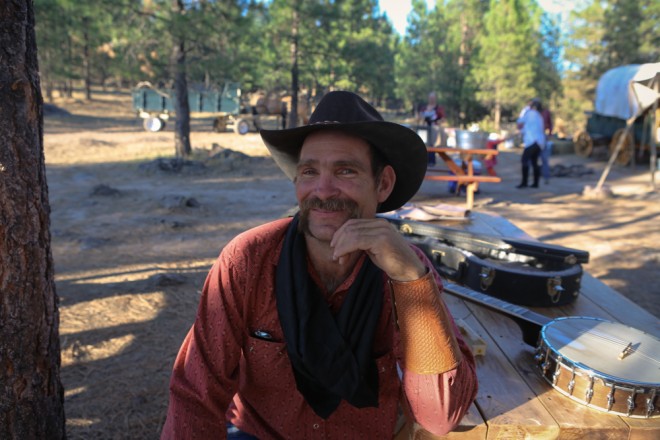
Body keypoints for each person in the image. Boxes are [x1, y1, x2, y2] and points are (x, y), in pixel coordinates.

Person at [161, 91, 478, 439]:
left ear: (383, 184)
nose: (324, 190)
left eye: (346, 170)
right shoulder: (248, 260)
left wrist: (411, 282)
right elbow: (196, 394)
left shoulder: (406, 270)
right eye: (310, 171)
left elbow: (439, 416)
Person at [516, 99, 546, 188]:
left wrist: (523, 111)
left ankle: (524, 182)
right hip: (540, 142)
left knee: (524, 161)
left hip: (531, 141)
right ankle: (535, 183)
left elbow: (519, 123)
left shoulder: (528, 113)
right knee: (534, 162)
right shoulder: (539, 116)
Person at [418, 91, 445, 166]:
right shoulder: (424, 108)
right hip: (424, 128)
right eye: (430, 98)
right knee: (424, 143)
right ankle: (424, 160)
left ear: (435, 98)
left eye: (433, 98)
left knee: (432, 144)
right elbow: (419, 118)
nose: (432, 99)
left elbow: (442, 119)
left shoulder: (438, 108)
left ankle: (431, 161)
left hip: (433, 128)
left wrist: (437, 121)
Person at [533, 98, 554, 184]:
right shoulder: (532, 114)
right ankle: (536, 176)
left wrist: (549, 134)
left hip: (542, 137)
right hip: (534, 138)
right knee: (534, 159)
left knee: (544, 158)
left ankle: (546, 176)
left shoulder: (545, 112)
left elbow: (550, 124)